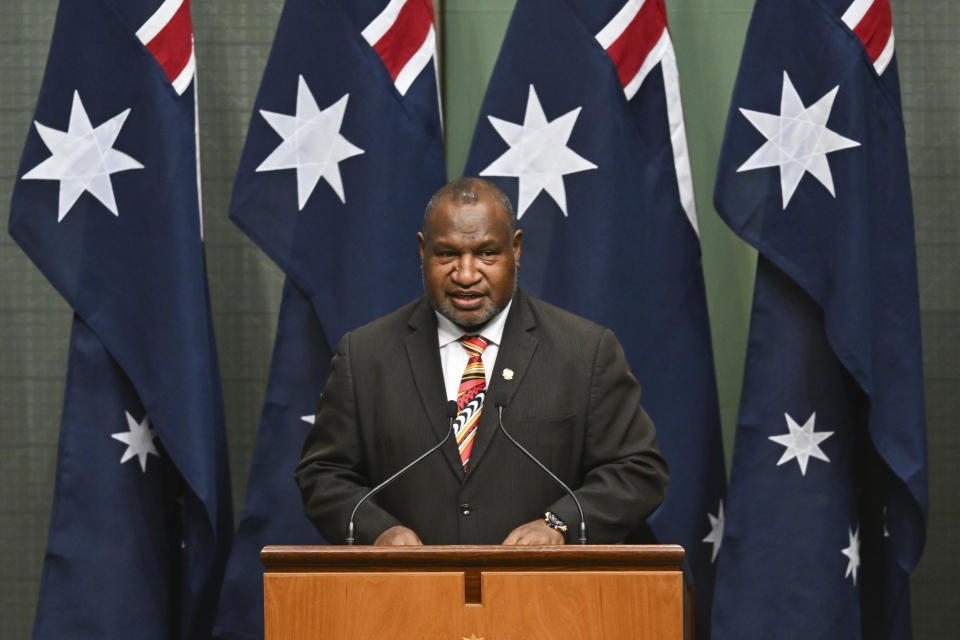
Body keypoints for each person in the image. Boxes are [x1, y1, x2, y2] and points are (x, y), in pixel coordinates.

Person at [295, 177, 668, 545]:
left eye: (487, 253)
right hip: (406, 597)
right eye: (448, 254)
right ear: (422, 251)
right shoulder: (365, 355)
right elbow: (324, 474)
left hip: (546, 596)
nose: (467, 275)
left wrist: (559, 525)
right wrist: (377, 531)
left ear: (516, 249)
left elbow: (637, 471)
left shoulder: (584, 351)